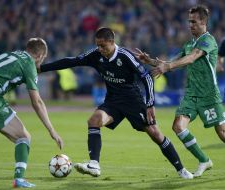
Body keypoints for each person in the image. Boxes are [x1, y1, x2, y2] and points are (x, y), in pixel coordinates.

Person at [40, 27, 193, 179]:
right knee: (94, 120)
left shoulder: (125, 56)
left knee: (155, 134)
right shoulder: (95, 55)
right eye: (97, 45)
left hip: (133, 100)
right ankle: (94, 164)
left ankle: (181, 170)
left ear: (112, 42)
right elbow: (71, 61)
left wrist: (150, 104)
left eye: (103, 46)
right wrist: (42, 68)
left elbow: (146, 77)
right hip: (113, 100)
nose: (99, 49)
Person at [135, 5, 225, 177]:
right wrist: (150, 61)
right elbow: (172, 62)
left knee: (222, 132)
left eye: (194, 21)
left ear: (204, 22)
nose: (190, 25)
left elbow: (192, 58)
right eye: (189, 21)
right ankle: (204, 160)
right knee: (178, 126)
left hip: (209, 95)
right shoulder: (189, 43)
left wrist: (167, 66)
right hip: (191, 95)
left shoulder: (208, 40)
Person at [0, 38, 63, 188]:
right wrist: (52, 130)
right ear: (40, 56)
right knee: (23, 137)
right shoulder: (29, 64)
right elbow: (37, 102)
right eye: (43, 58)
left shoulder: (11, 54)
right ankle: (19, 179)